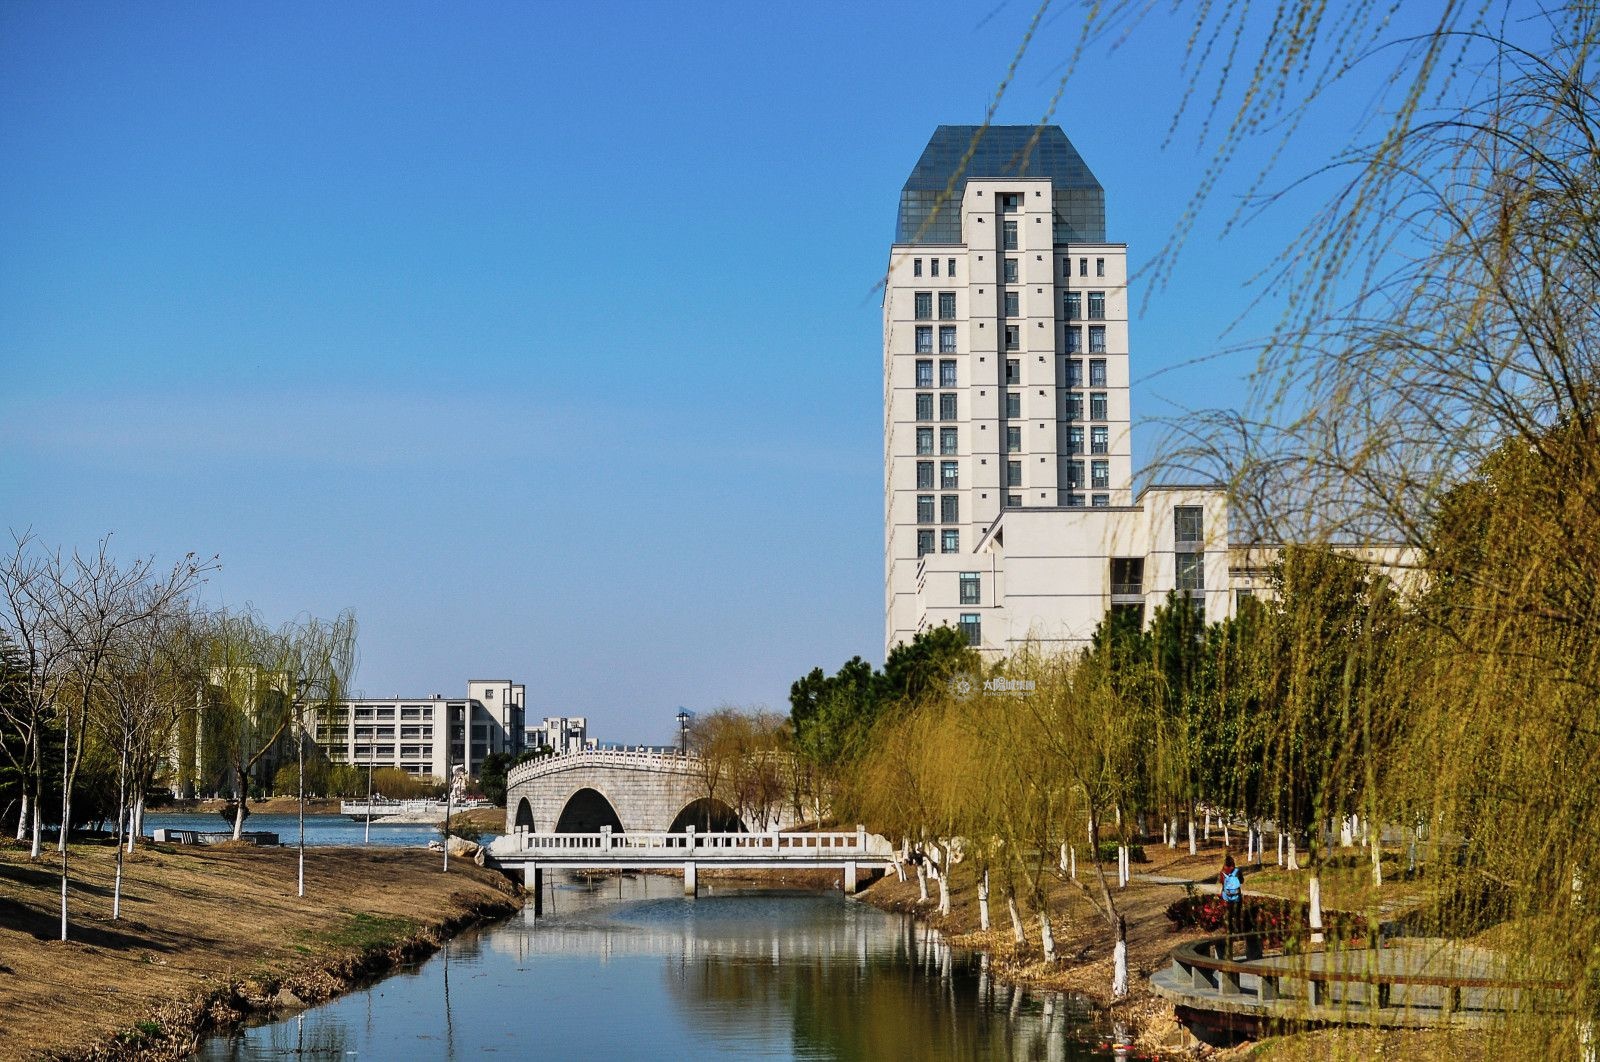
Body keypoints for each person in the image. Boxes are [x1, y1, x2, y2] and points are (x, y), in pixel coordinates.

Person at [1220, 852, 1245, 940]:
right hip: (1237, 896)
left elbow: (1222, 883)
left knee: (1229, 915)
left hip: (1226, 897)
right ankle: (1239, 934)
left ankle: (1229, 934)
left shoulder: (1222, 872)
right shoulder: (1237, 871)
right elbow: (1242, 881)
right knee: (1237, 915)